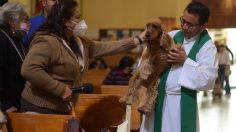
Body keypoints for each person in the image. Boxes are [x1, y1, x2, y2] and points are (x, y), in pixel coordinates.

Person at [20, 0, 146, 114]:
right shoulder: (47, 41)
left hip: (62, 108)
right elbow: (29, 69)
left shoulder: (77, 41)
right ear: (65, 21)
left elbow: (106, 47)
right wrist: (59, 89)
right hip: (40, 108)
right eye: (78, 18)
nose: (82, 22)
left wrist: (138, 40)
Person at [140, 1, 218, 132]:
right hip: (156, 99)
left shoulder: (207, 47)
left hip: (179, 104)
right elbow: (147, 56)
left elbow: (208, 80)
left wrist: (185, 60)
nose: (185, 27)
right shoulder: (171, 36)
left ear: (203, 26)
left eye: (191, 25)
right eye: (183, 21)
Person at [0, 2, 30, 112]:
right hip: (7, 106)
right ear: (12, 21)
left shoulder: (18, 40)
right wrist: (5, 105)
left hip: (20, 102)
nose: (29, 24)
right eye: (25, 20)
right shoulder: (2, 39)